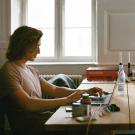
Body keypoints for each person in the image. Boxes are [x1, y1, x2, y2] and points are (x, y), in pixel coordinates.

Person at [0, 26, 102, 135]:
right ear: (24, 46)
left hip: (43, 118)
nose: (39, 51)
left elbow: (54, 89)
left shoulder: (31, 70)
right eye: (37, 46)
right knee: (91, 127)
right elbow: (28, 104)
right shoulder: (9, 70)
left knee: (93, 121)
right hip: (32, 127)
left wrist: (85, 92)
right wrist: (67, 99)